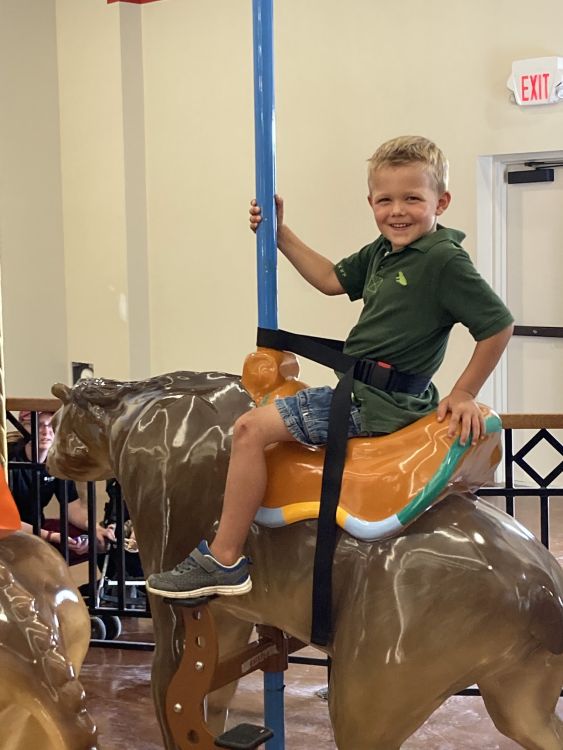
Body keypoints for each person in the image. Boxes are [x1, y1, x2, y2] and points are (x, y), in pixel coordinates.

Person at [146, 135, 514, 599]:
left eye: (412, 199)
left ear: (441, 201)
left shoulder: (443, 260)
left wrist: (462, 392)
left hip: (374, 402)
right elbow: (328, 279)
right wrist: (281, 235)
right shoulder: (384, 251)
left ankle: (224, 559)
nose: (396, 211)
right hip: (363, 389)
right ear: (370, 203)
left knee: (247, 430)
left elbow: (497, 325)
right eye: (385, 200)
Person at [8, 410, 115, 563]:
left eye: (51, 425)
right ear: (24, 427)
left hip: (37, 527)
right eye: (38, 425)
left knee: (99, 540)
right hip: (9, 531)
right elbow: (5, 520)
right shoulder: (9, 461)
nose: (46, 432)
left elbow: (72, 505)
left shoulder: (56, 461)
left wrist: (94, 528)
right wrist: (50, 536)